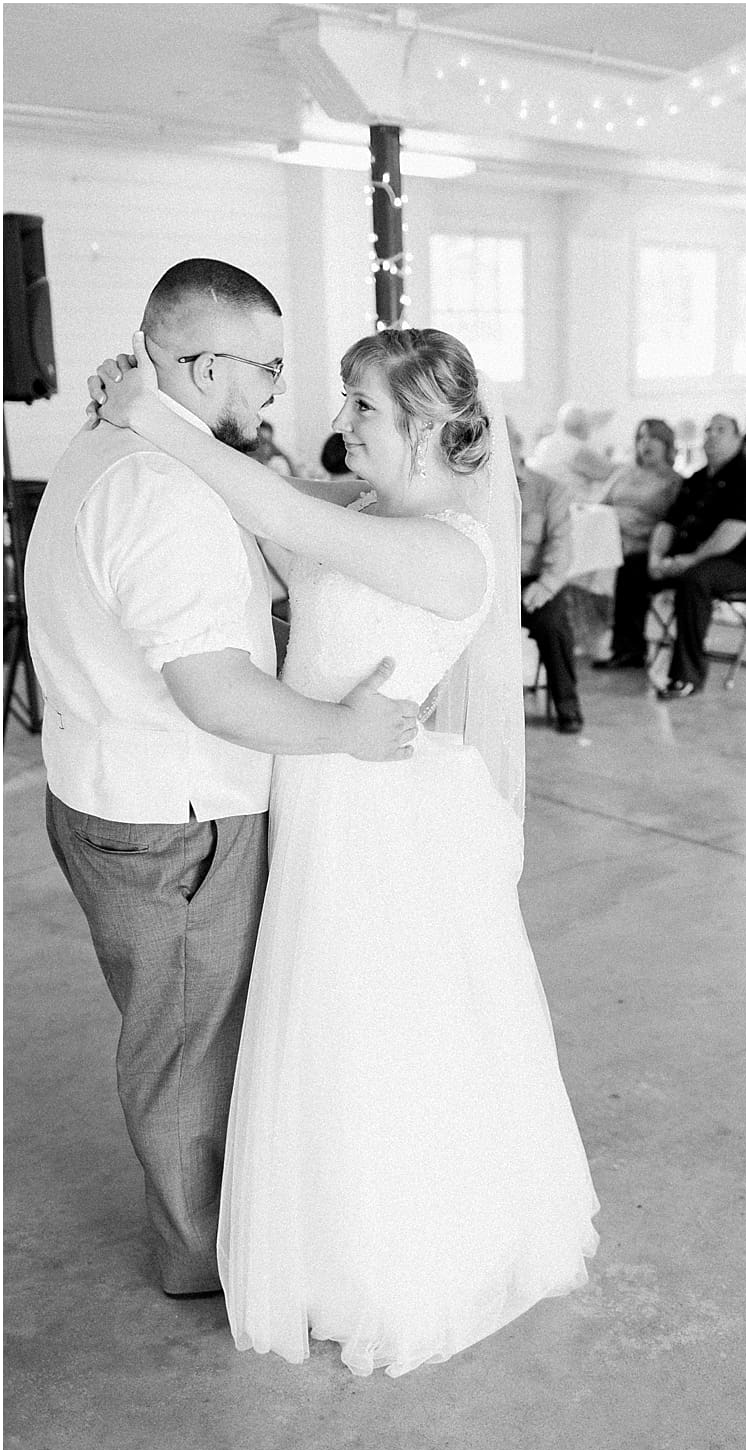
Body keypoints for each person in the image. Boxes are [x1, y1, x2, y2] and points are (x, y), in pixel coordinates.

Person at [93, 321, 599, 1375]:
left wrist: (151, 412)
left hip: (383, 815)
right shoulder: (365, 516)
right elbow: (278, 530)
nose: (342, 423)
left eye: (362, 405)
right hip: (328, 790)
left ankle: (396, 1259)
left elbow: (276, 513)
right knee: (322, 1022)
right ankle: (327, 1235)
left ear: (425, 425)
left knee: (375, 1028)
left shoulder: (449, 549)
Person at [27, 259, 420, 1298]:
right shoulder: (163, 489)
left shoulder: (119, 441)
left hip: (103, 790)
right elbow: (214, 691)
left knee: (172, 1024)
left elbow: (279, 511)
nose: (278, 395)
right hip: (177, 814)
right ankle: (201, 1258)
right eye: (269, 370)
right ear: (203, 366)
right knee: (190, 1044)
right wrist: (345, 727)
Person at [646, 412, 746, 701]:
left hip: (742, 564)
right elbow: (668, 522)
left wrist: (690, 561)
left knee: (695, 580)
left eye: (721, 430)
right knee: (632, 566)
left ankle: (686, 675)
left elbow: (733, 531)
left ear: (737, 438)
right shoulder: (696, 479)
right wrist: (655, 558)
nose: (712, 435)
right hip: (693, 557)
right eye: (708, 429)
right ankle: (628, 651)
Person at [589, 417, 681, 671]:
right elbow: (599, 505)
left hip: (644, 547)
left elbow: (670, 524)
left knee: (630, 566)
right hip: (609, 542)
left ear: (667, 445)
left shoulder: (673, 482)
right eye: (641, 437)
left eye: (653, 437)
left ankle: (628, 649)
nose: (646, 443)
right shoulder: (623, 473)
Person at [514, 425, 584, 735]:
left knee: (553, 624)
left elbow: (560, 547)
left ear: (517, 445)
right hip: (488, 584)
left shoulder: (549, 489)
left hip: (534, 581)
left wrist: (543, 587)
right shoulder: (473, 486)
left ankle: (567, 704)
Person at [525, 401, 617, 498]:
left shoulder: (545, 442)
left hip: (548, 500)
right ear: (584, 426)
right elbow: (610, 473)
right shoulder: (576, 448)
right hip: (575, 502)